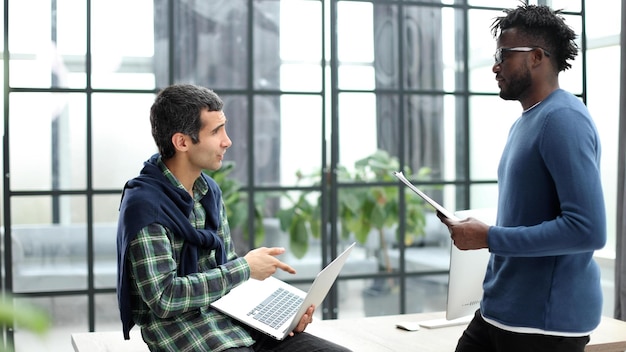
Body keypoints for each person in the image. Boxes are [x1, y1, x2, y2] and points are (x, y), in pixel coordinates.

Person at [116, 83, 351, 352]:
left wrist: (286, 314)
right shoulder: (145, 207)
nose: (227, 141)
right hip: (182, 332)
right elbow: (164, 298)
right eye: (216, 131)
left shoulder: (209, 192)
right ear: (182, 142)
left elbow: (225, 269)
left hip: (232, 319)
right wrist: (245, 267)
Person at [437, 5, 606, 352]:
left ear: (537, 57)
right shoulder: (528, 120)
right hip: (500, 311)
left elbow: (587, 229)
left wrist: (490, 237)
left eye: (504, 55)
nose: (496, 65)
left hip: (542, 325)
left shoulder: (563, 120)